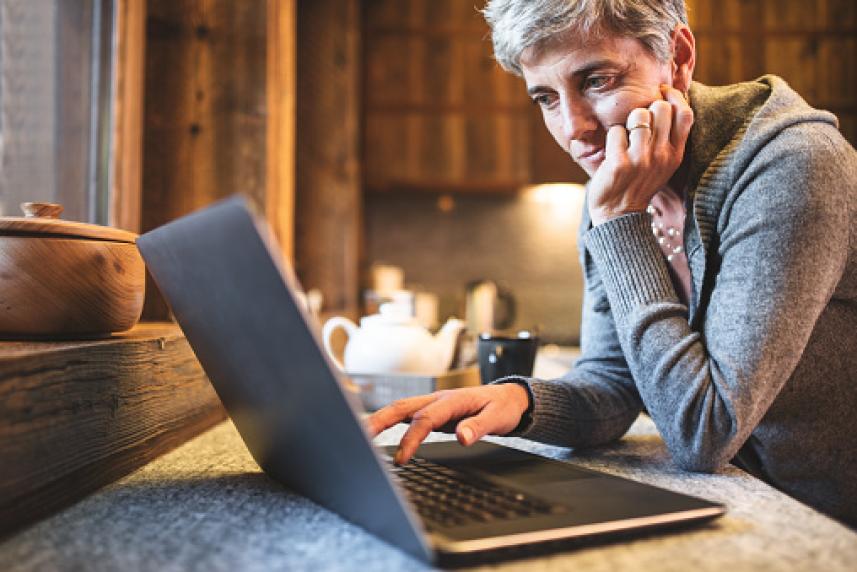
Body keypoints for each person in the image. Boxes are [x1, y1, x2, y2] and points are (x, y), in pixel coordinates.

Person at [368, 0, 857, 526]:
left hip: (820, 522)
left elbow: (704, 432)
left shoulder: (789, 166)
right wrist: (518, 401)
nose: (573, 128)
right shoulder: (616, 180)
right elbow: (612, 381)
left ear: (678, 55)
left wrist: (620, 221)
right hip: (732, 503)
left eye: (597, 81)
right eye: (546, 98)